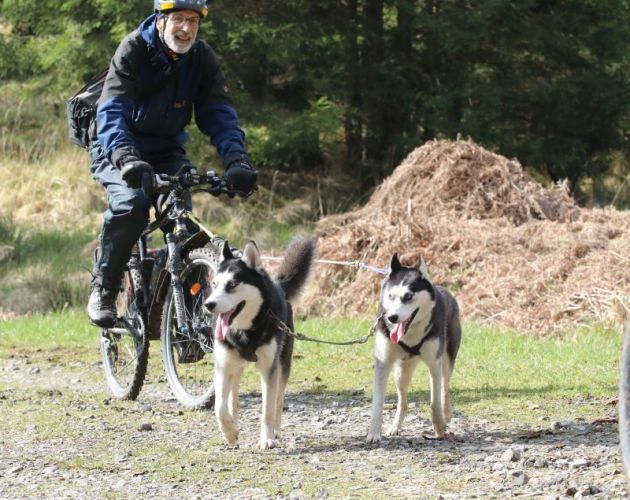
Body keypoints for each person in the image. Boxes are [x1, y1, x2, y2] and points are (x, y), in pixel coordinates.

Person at [87, 0, 257, 327]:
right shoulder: (133, 50)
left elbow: (219, 113)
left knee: (184, 224)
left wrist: (237, 160)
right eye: (178, 19)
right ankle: (104, 288)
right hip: (117, 147)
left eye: (193, 21)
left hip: (166, 150)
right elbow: (112, 111)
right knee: (132, 205)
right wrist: (126, 157)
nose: (186, 28)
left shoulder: (201, 58)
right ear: (160, 20)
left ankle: (188, 320)